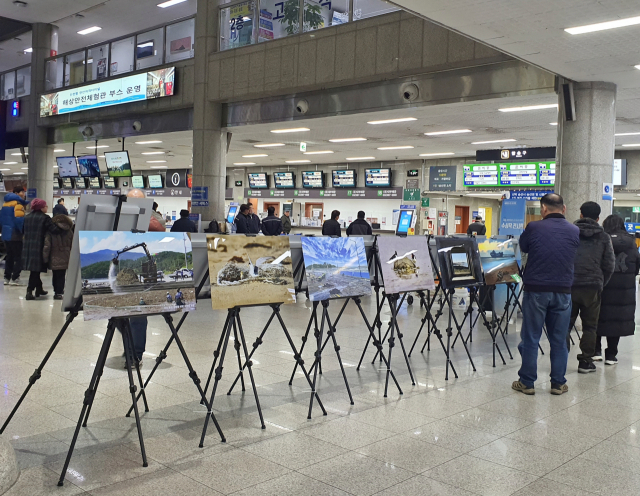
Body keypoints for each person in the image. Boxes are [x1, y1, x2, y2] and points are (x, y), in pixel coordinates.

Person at [512, 193, 579, 396]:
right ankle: (558, 383)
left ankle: (527, 383)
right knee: (559, 339)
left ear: (543, 209)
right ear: (564, 208)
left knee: (531, 337)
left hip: (536, 290)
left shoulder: (534, 227)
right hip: (563, 291)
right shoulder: (574, 230)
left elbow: (523, 246)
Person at [569, 201, 615, 374]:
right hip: (592, 287)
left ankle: (559, 358)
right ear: (598, 218)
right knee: (590, 326)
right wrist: (601, 282)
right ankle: (586, 362)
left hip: (570, 285)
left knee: (564, 324)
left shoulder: (570, 233)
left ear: (580, 214)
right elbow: (609, 265)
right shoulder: (604, 237)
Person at [593, 215, 639, 366]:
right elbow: (637, 265)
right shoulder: (631, 242)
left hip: (603, 284)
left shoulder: (602, 239)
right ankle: (611, 354)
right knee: (617, 319)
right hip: (624, 289)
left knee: (598, 316)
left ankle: (596, 351)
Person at [22, 198, 63, 300]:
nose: (47, 208)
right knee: (35, 271)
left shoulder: (27, 217)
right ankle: (29, 291)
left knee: (34, 269)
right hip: (40, 247)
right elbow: (54, 230)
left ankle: (39, 289)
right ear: (41, 207)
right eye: (46, 206)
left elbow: (23, 230)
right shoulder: (44, 218)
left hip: (28, 247)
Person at [42, 213, 74, 299]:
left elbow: (47, 246)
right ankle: (59, 292)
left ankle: (56, 290)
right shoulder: (69, 231)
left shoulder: (51, 232)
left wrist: (45, 258)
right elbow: (72, 245)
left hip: (54, 256)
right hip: (66, 256)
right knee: (62, 275)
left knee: (55, 275)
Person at [1, 186, 28, 286]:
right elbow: (19, 220)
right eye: (22, 192)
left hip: (6, 234)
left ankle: (6, 277)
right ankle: (15, 278)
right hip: (15, 234)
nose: (24, 194)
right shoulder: (18, 204)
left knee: (9, 256)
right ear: (17, 193)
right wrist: (23, 232)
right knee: (19, 257)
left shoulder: (5, 204)